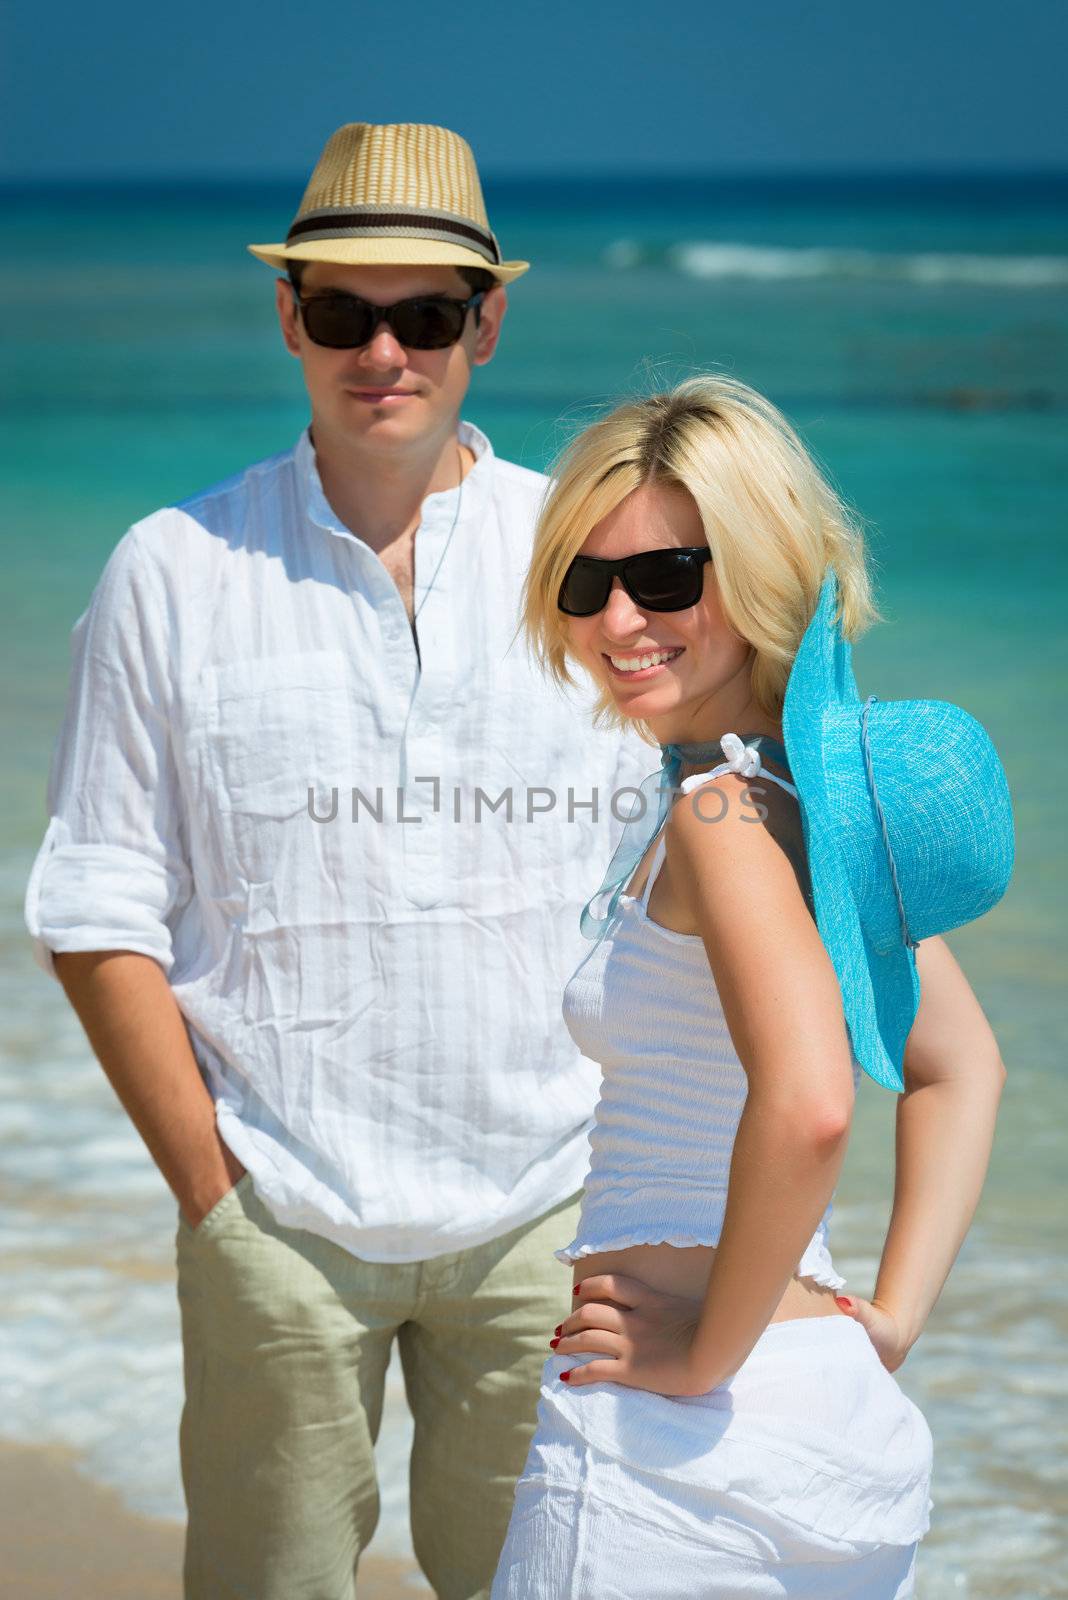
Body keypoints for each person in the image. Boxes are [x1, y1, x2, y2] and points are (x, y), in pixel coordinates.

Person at [24, 121, 643, 1600]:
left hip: (546, 1213)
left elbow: (670, 869)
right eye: (342, 312)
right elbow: (95, 899)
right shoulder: (171, 569)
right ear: (287, 314)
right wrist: (212, 1196)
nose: (384, 351)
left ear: (487, 324)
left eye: (425, 313)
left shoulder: (588, 556)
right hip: (279, 1221)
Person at [491, 374, 1014, 1598]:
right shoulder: (805, 817)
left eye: (669, 576)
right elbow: (960, 1065)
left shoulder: (720, 813)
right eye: (585, 582)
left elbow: (815, 1099)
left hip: (668, 1444)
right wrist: (888, 1317)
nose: (620, 618)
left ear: (765, 570)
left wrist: (697, 1354)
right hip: (827, 1420)